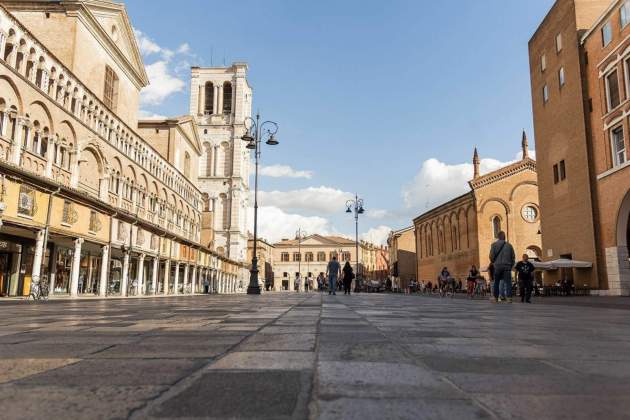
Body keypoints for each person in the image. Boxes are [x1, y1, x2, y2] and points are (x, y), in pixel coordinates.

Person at [489, 231, 516, 303]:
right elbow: (513, 257)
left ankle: (495, 298)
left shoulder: (494, 245)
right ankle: (509, 298)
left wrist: (494, 263)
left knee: (496, 282)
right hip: (507, 266)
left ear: (498, 237)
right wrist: (511, 265)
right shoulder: (509, 246)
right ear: (504, 237)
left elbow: (491, 256)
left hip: (497, 266)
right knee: (508, 283)